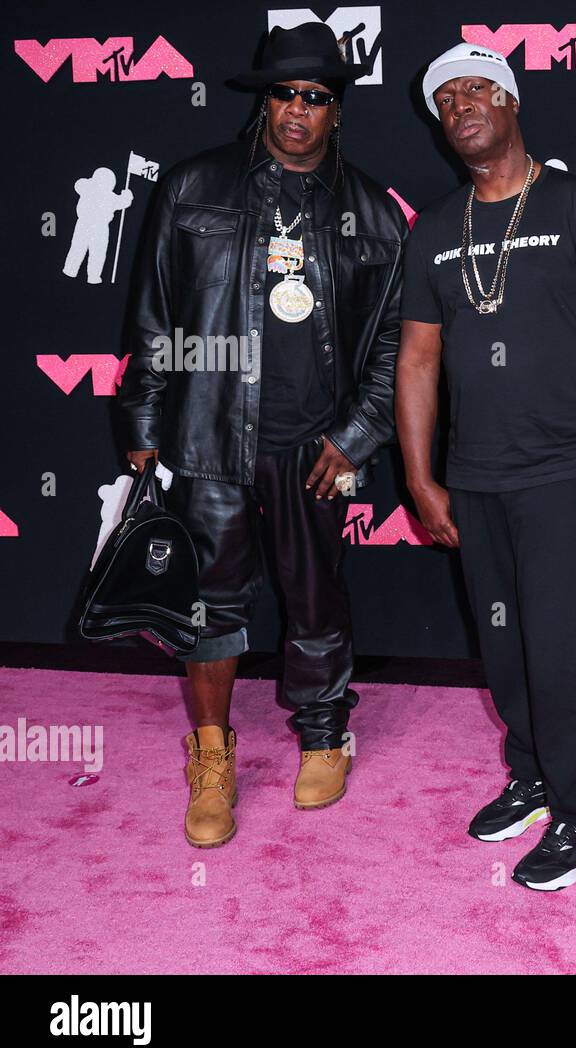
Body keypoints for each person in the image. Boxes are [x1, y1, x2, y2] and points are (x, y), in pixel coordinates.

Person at [118, 22, 407, 847]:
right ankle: (212, 753)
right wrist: (143, 421)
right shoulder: (193, 187)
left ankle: (324, 731)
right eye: (283, 93)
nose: (296, 111)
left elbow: (395, 346)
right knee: (207, 604)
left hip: (316, 445)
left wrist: (355, 435)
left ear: (337, 110)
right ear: (264, 99)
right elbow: (154, 318)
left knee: (317, 596)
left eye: (315, 97)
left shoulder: (373, 215)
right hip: (206, 435)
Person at [397, 43, 576, 891]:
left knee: (561, 648)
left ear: (510, 102)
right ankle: (534, 774)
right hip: (474, 475)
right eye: (447, 98)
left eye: (477, 89)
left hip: (563, 471)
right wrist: (422, 475)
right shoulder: (433, 228)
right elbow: (418, 363)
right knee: (504, 647)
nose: (462, 104)